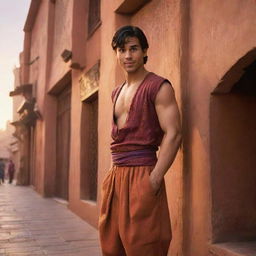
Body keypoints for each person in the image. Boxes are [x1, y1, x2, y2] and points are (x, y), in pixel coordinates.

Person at [99, 25, 182, 256]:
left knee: (145, 247)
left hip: (142, 175)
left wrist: (153, 180)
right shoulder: (116, 92)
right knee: (112, 247)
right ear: (116, 53)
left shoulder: (158, 87)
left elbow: (174, 133)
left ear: (144, 50)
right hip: (116, 178)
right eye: (122, 50)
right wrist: (110, 179)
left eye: (133, 48)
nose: (127, 55)